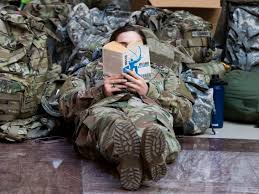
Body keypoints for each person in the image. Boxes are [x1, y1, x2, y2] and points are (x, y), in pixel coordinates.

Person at [59, 25, 193, 190]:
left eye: (136, 45)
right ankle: (137, 160)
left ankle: (139, 159)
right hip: (105, 110)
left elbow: (185, 111)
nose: (128, 49)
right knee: (112, 122)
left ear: (144, 48)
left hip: (149, 109)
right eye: (122, 45)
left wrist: (150, 91)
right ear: (111, 47)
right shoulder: (89, 71)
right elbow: (65, 106)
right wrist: (99, 92)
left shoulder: (163, 73)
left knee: (151, 124)